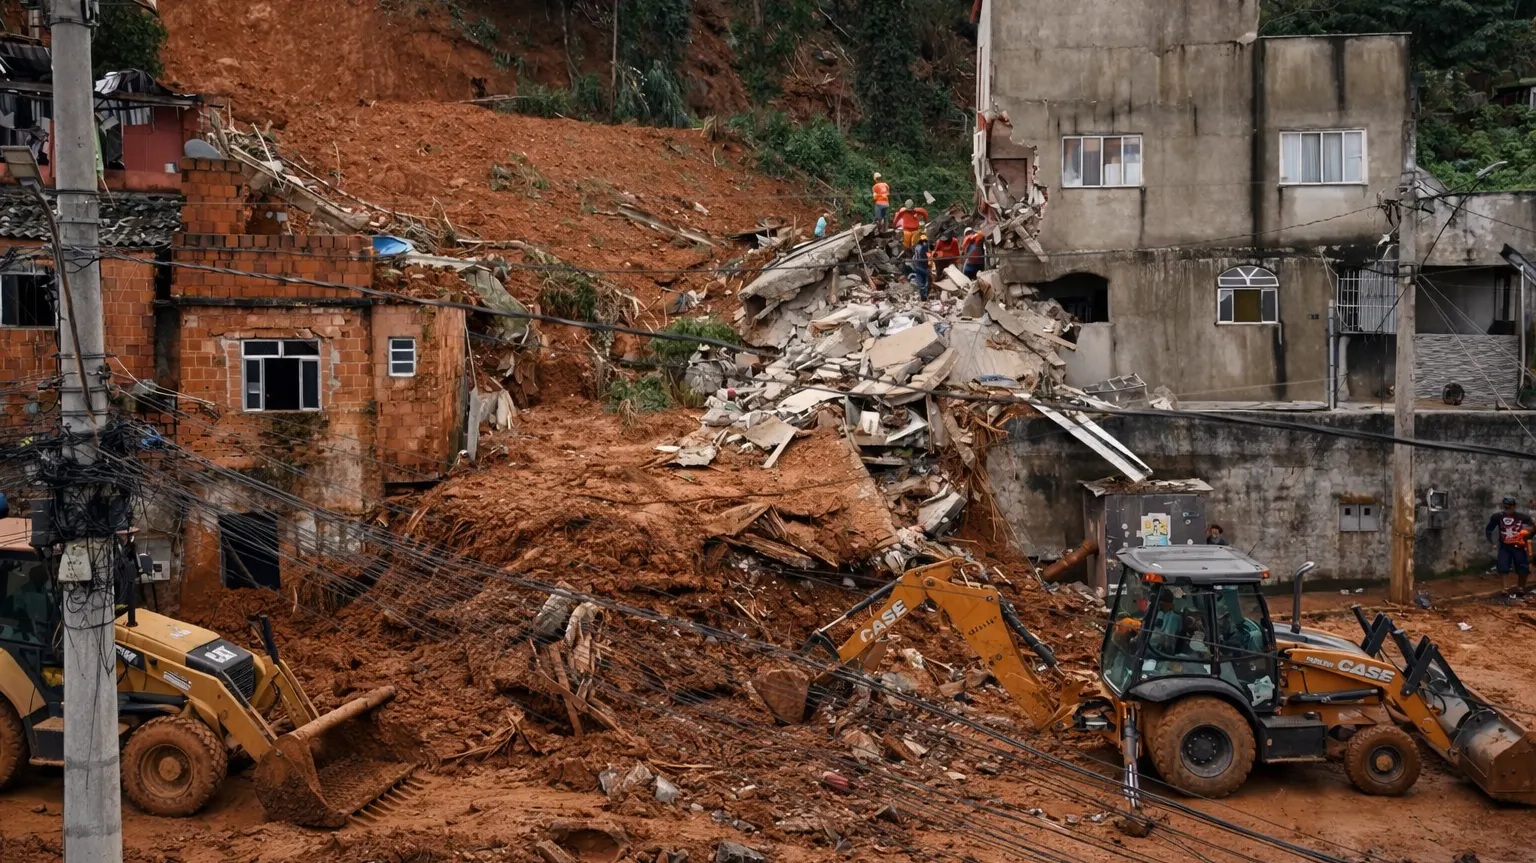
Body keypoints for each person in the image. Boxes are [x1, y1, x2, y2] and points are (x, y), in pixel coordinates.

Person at [1486, 496, 1535, 595]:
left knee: (1523, 567)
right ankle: (1505, 588)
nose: (1508, 509)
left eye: (1510, 507)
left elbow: (1533, 527)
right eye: (1506, 507)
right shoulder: (1498, 517)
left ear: (1514, 506)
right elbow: (1489, 529)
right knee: (1503, 567)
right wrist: (1492, 542)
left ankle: (1521, 588)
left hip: (1519, 546)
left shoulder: (1522, 517)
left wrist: (1527, 537)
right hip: (1505, 546)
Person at [910, 233, 932, 300]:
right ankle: (924, 296)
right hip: (923, 266)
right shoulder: (924, 247)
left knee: (920, 282)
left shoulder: (917, 246)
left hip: (917, 266)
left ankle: (921, 295)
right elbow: (925, 256)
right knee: (926, 282)